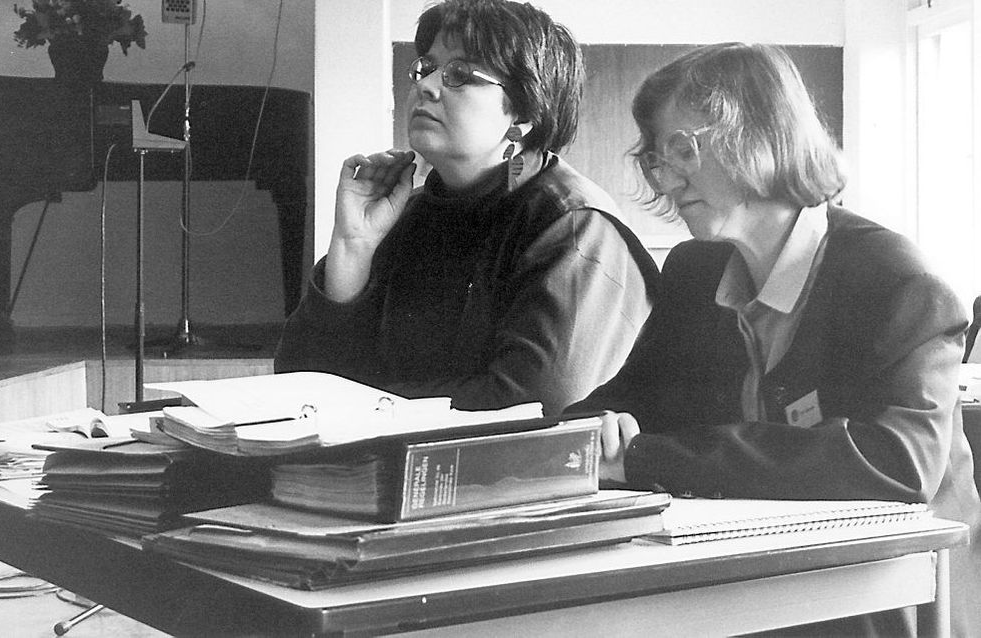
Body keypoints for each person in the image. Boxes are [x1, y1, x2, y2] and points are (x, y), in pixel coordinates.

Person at [570, 42, 981, 636]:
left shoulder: (900, 283)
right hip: (751, 584)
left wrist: (644, 458)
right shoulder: (695, 271)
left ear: (761, 136)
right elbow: (624, 398)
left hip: (890, 599)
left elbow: (896, 464)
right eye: (657, 159)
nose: (667, 177)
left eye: (683, 148)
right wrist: (595, 428)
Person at [274, 0, 658, 416]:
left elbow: (534, 403)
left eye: (459, 74)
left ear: (523, 115)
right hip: (393, 466)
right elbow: (300, 387)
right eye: (426, 67)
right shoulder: (407, 214)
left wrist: (368, 404)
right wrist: (353, 247)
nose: (427, 86)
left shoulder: (572, 226)